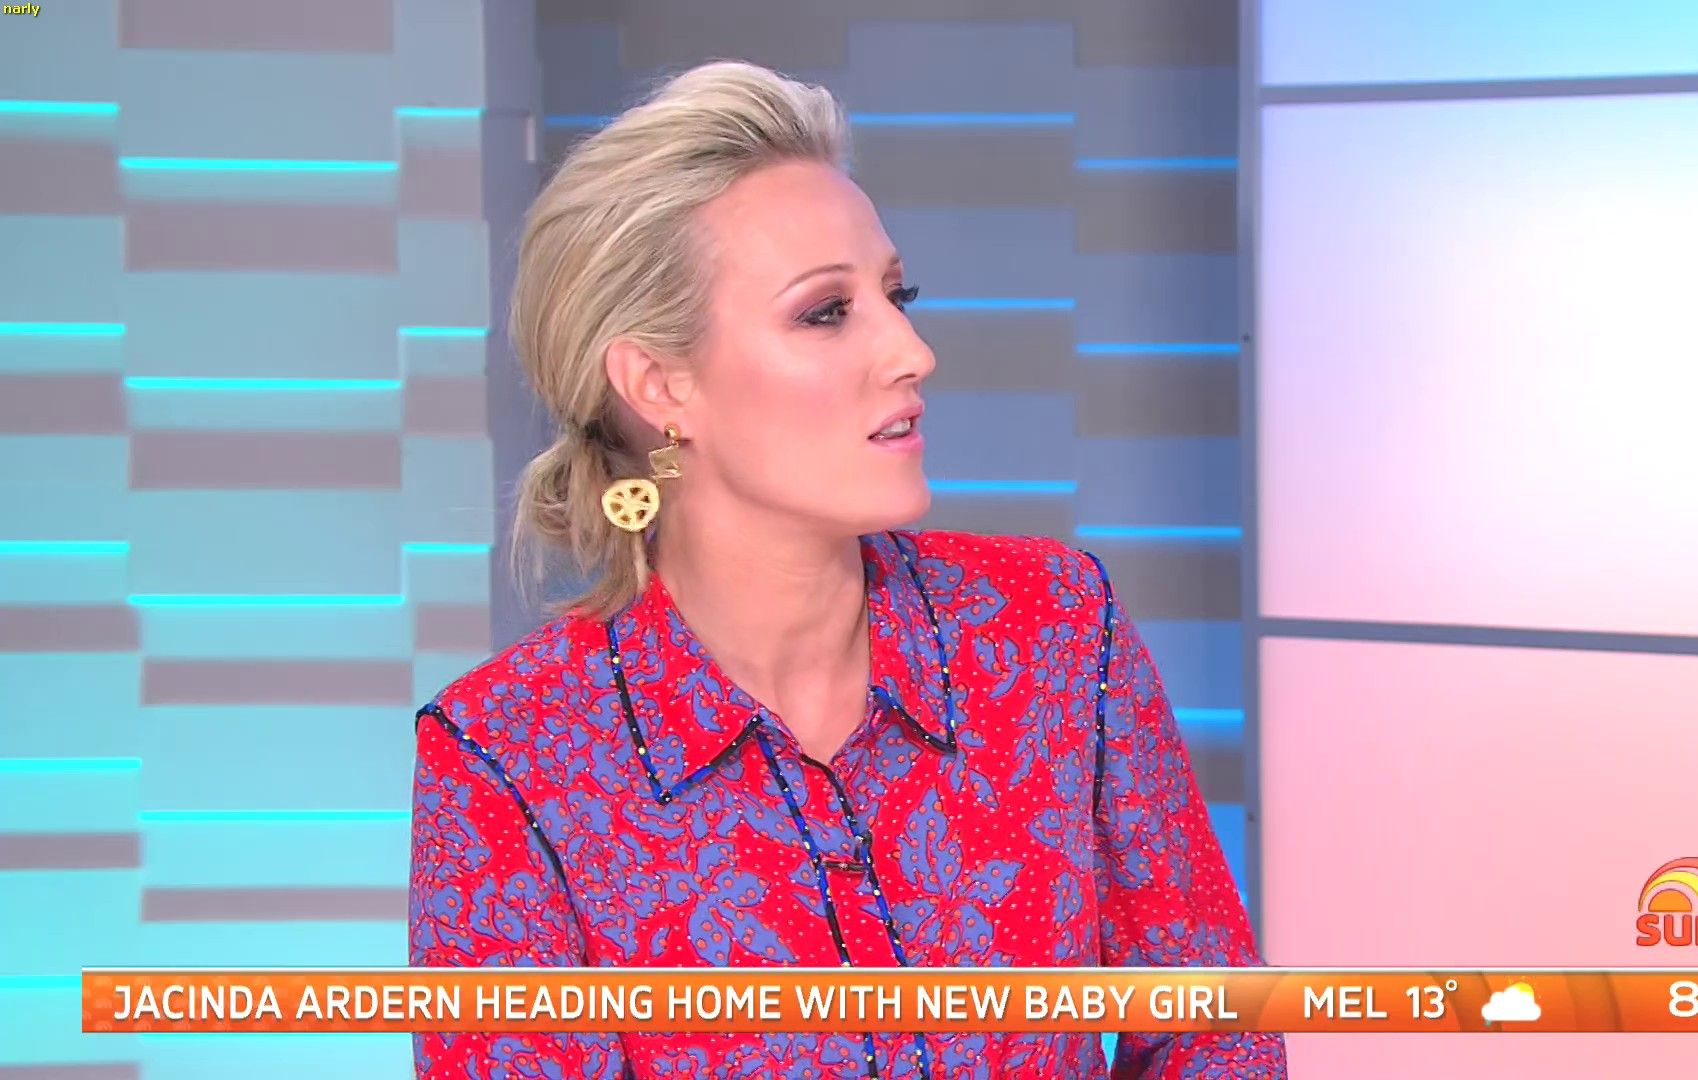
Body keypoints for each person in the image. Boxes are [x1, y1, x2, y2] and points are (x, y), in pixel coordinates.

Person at [407, 59, 1287, 1079]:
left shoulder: (1052, 629)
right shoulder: (507, 758)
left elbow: (1212, 1030)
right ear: (659, 384)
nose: (911, 351)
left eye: (896, 295)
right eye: (827, 311)